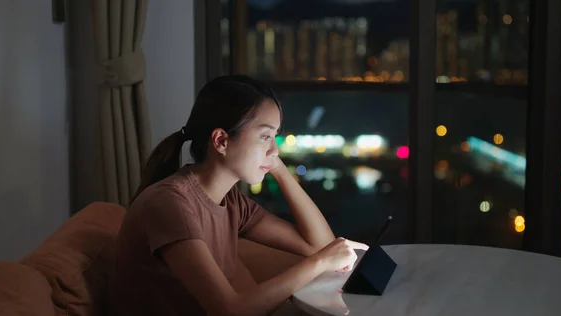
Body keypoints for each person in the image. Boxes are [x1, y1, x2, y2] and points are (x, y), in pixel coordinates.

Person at [108, 75, 368, 316]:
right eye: (265, 136)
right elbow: (230, 311)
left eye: (275, 136)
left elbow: (319, 243)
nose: (274, 148)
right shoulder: (170, 204)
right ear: (221, 141)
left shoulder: (232, 202)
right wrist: (322, 262)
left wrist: (275, 166)